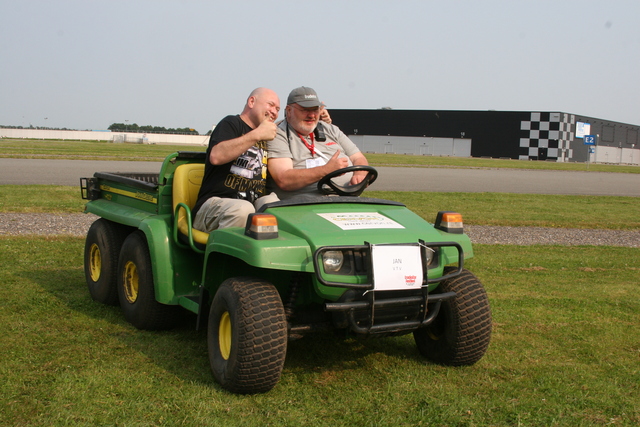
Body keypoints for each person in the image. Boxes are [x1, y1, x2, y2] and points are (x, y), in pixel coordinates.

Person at [191, 87, 281, 232]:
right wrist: (256, 134)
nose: (274, 112)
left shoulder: (269, 136)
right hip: (214, 206)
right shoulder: (230, 123)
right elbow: (216, 156)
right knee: (242, 209)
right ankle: (226, 254)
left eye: (277, 109)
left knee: (274, 205)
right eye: (270, 105)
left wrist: (316, 116)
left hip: (252, 205)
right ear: (252, 102)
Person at [267, 86, 369, 199]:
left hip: (347, 197)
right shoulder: (277, 134)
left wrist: (360, 173)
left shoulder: (331, 130)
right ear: (289, 110)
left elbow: (358, 158)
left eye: (315, 110)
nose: (311, 115)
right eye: (305, 110)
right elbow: (284, 180)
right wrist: (326, 170)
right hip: (304, 203)